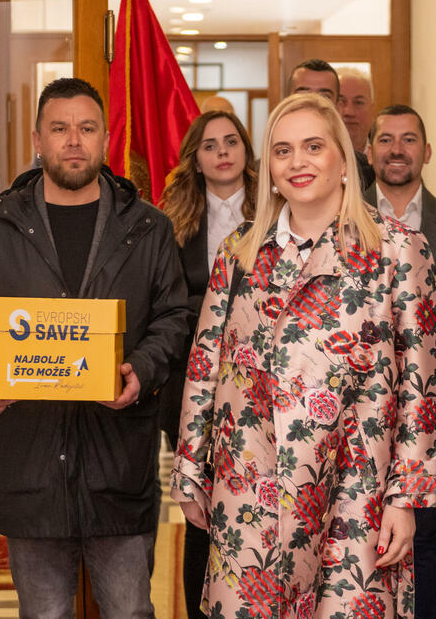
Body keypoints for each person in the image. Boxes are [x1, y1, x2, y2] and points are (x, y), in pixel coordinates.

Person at [171, 93, 436, 618]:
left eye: (313, 147)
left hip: (354, 489)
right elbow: (204, 365)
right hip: (249, 486)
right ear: (269, 169)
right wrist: (188, 471)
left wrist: (405, 498)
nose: (298, 162)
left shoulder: (398, 249)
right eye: (283, 150)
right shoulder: (240, 252)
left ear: (343, 160)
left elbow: (421, 386)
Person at [0, 77, 191, 616]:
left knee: (130, 612)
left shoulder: (149, 228)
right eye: (59, 128)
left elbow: (174, 318)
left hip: (118, 467)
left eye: (87, 128)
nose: (74, 141)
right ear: (38, 140)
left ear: (105, 139)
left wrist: (142, 371)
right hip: (31, 468)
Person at [364, 104, 436, 619]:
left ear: (427, 152)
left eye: (408, 139)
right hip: (350, 416)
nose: (397, 149)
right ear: (368, 151)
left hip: (432, 414)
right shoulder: (339, 218)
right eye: (386, 139)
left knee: (422, 536)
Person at [158, 109, 258, 619]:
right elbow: (165, 304)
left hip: (262, 387)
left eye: (231, 142)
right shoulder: (171, 222)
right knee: (201, 512)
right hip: (191, 388)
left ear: (246, 151)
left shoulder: (278, 210)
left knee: (252, 511)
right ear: (194, 159)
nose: (222, 152)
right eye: (210, 145)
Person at [288, 58, 375, 189]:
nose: (313, 103)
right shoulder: (263, 170)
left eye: (324, 97)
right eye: (303, 94)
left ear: (337, 105)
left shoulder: (368, 171)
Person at [336, 66, 375, 153]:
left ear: (372, 110)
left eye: (358, 102)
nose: (349, 112)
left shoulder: (385, 157)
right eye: (341, 102)